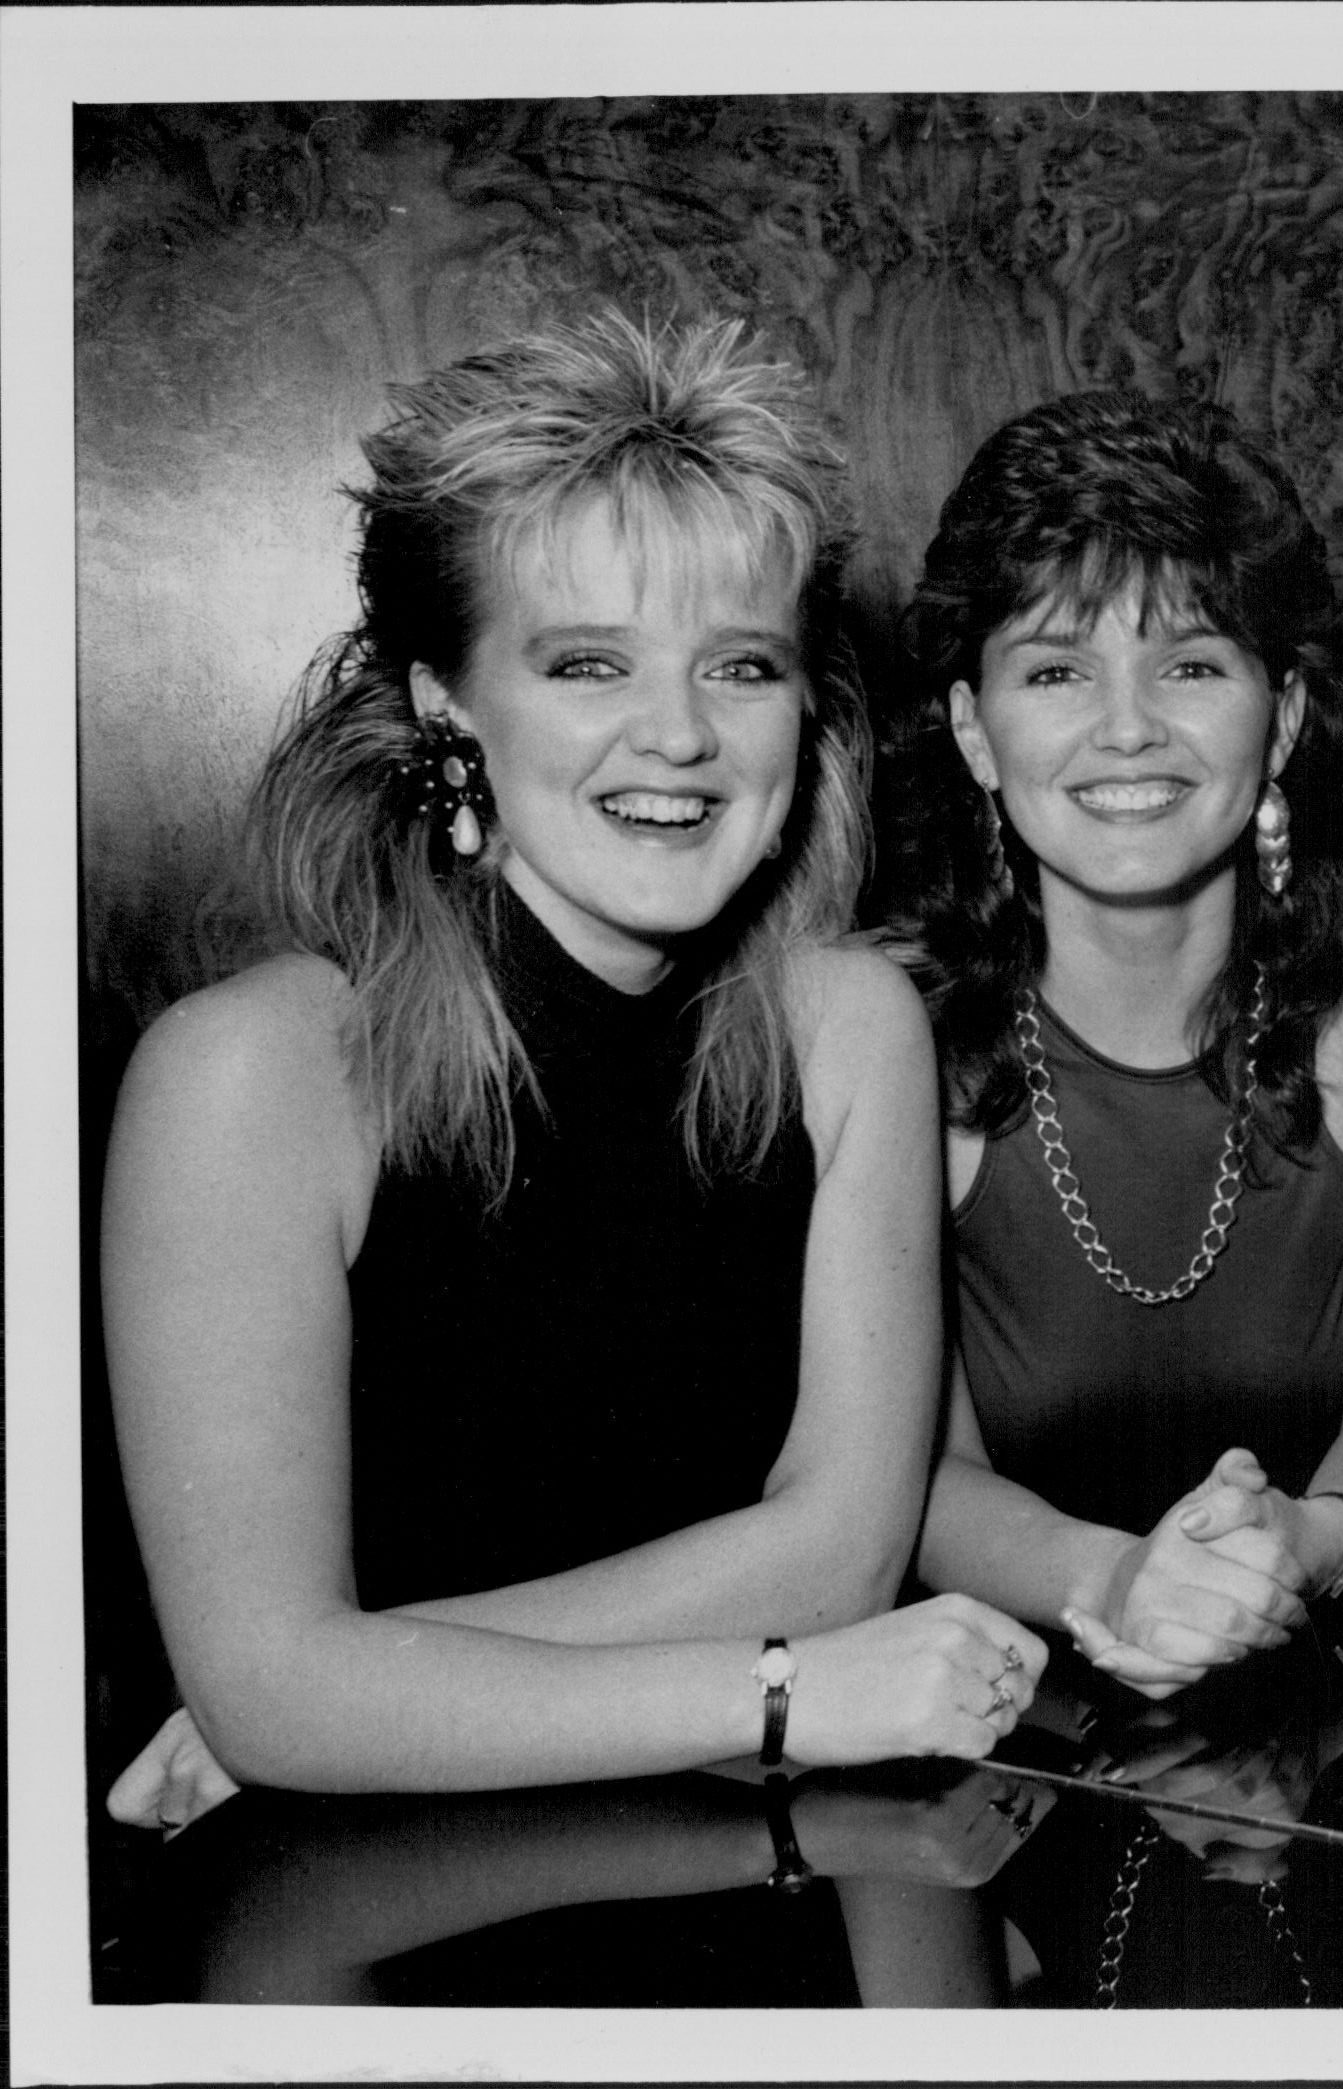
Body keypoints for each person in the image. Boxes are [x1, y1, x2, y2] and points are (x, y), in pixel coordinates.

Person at [103, 312, 1042, 1828]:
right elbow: (274, 1697)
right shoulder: (247, 1078)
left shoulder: (849, 1023)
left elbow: (842, 1558)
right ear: (445, 701)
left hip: (757, 1898)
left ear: (804, 706)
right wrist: (786, 1689)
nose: (674, 733)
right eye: (587, 662)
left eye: (739, 664)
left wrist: (360, 1692)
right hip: (380, 1923)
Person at [873, 390, 1343, 1698]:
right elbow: (911, 1480)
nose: (1125, 726)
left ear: (1281, 715)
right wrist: (1120, 1579)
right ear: (973, 727)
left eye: (1188, 662)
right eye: (1057, 670)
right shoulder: (882, 1034)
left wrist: (1311, 1539)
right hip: (995, 1750)